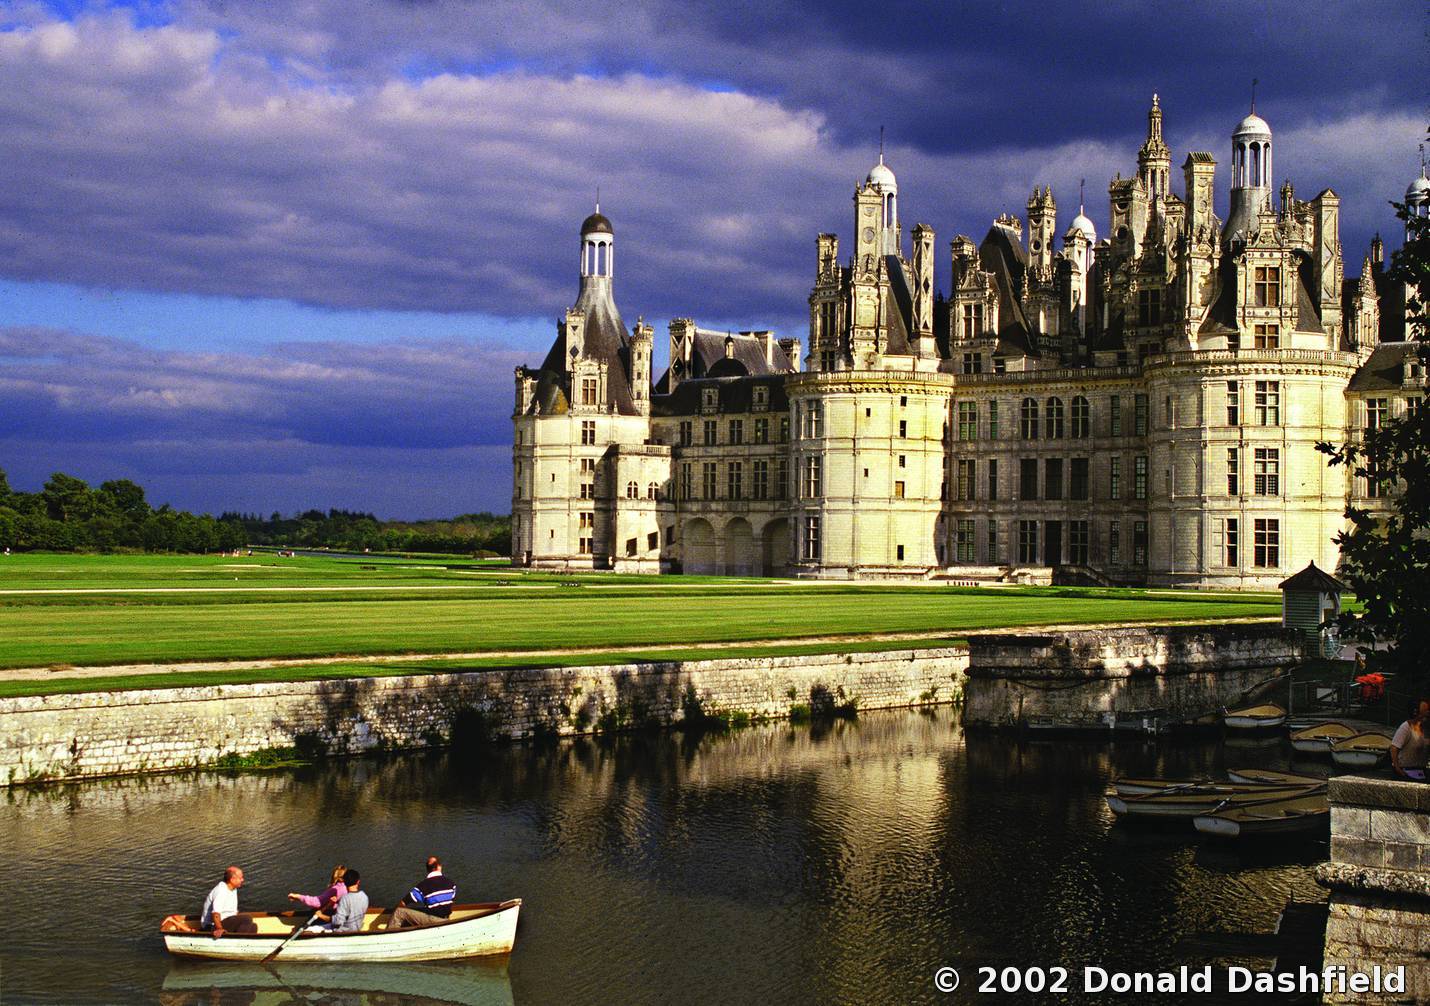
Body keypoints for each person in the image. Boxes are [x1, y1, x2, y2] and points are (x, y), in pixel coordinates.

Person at [386, 856, 456, 929]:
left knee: (399, 912)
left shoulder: (423, 886)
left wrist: (392, 913)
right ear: (439, 867)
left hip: (434, 920)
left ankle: (389, 936)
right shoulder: (451, 884)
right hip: (446, 920)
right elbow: (448, 903)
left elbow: (404, 902)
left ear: (427, 870)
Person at [200, 866, 257, 938]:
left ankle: (242, 944)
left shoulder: (233, 889)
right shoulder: (221, 890)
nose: (242, 880)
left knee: (253, 926)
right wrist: (219, 928)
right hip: (212, 926)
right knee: (247, 918)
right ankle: (238, 941)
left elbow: (233, 912)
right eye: (240, 878)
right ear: (232, 879)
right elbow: (215, 913)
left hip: (226, 921)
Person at [314, 869, 369, 933]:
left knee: (310, 929)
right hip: (356, 929)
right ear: (358, 882)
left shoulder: (345, 899)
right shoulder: (364, 896)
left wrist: (320, 915)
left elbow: (338, 922)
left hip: (342, 932)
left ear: (344, 882)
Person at [1390, 698, 1430, 782]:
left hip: (1422, 771)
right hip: (1406, 771)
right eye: (1424, 711)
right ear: (1416, 712)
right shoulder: (1406, 727)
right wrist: (1397, 768)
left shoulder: (1426, 728)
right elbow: (1394, 748)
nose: (1427, 714)